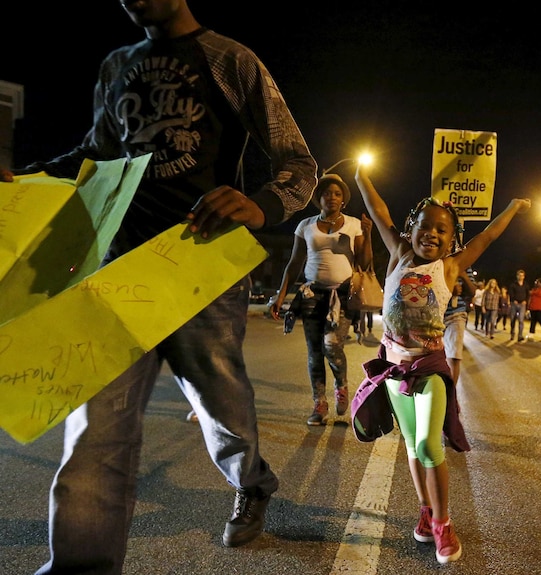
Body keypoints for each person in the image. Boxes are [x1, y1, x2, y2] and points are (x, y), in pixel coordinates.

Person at [0, 0, 318, 569]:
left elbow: (298, 162)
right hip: (119, 271)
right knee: (95, 435)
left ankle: (252, 483)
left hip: (200, 267)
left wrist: (261, 204)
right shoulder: (116, 65)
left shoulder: (230, 60)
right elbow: (94, 158)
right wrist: (25, 181)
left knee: (222, 408)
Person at [352, 161, 530, 564]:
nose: (431, 234)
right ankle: (426, 510)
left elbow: (487, 236)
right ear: (410, 229)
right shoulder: (397, 254)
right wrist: (362, 176)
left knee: (430, 446)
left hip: (429, 368)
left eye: (441, 230)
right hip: (394, 369)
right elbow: (378, 211)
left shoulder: (449, 267)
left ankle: (444, 524)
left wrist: (513, 208)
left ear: (452, 241)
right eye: (424, 226)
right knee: (412, 448)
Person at [269, 174, 373, 425]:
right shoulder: (305, 225)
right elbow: (294, 264)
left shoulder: (353, 225)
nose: (332, 197)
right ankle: (319, 404)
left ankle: (341, 386)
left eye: (337, 194)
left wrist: (368, 235)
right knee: (314, 351)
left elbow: (365, 263)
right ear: (319, 198)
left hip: (342, 296)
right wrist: (280, 296)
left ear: (344, 199)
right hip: (311, 294)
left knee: (331, 344)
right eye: (327, 193)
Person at [443, 271, 475, 387]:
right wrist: (448, 287)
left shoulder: (464, 261)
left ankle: (450, 396)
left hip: (456, 315)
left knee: (454, 356)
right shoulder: (433, 256)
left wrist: (462, 274)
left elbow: (472, 291)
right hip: (432, 313)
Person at [509, 269, 529, 342]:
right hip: (514, 304)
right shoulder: (513, 285)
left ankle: (520, 335)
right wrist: (513, 300)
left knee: (521, 320)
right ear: (517, 276)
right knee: (512, 319)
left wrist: (526, 301)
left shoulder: (526, 285)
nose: (520, 277)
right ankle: (512, 333)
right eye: (519, 275)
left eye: (522, 275)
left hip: (522, 304)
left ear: (524, 276)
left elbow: (528, 294)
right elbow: (511, 293)